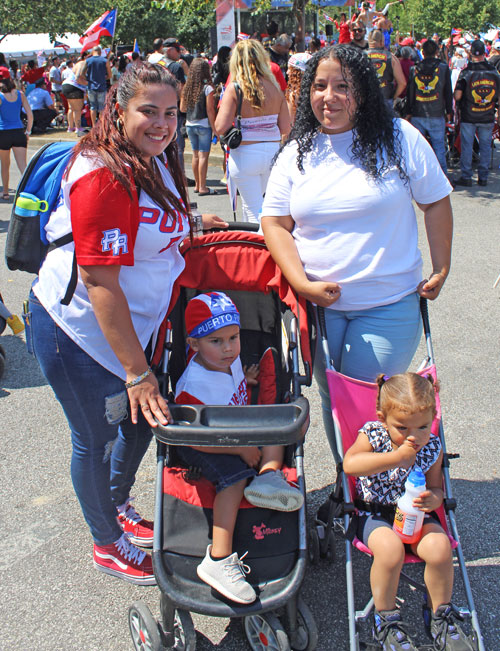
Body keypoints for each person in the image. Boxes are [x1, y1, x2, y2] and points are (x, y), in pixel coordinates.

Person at [28, 63, 198, 586]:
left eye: (171, 112)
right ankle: (107, 542)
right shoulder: (104, 170)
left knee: (137, 424)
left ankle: (116, 504)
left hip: (126, 332)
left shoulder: (152, 159)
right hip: (78, 332)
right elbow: (101, 284)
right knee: (96, 438)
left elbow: (155, 223)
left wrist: (194, 226)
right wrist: (137, 372)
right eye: (148, 110)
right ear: (118, 110)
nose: (162, 123)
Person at [261, 45, 453, 459]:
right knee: (334, 399)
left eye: (342, 86)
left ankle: (364, 495)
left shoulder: (400, 139)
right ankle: (349, 491)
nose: (328, 97)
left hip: (388, 302)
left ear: (363, 92)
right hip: (316, 307)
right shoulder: (296, 152)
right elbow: (274, 223)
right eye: (319, 86)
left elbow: (435, 201)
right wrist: (301, 283)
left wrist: (442, 267)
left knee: (365, 399)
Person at [174, 292, 303, 604]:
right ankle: (218, 559)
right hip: (204, 443)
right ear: (194, 345)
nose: (229, 348)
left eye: (233, 337)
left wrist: (244, 378)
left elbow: (231, 380)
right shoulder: (194, 386)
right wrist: (239, 451)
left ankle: (269, 476)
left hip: (237, 431)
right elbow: (192, 437)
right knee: (233, 480)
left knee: (276, 427)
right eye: (216, 341)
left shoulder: (226, 361)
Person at [343, 373, 474, 651]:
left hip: (415, 514)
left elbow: (437, 488)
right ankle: (386, 619)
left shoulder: (432, 447)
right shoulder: (373, 434)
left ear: (433, 418)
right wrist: (395, 458)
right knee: (391, 551)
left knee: (439, 547)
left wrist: (434, 498)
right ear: (383, 418)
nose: (414, 436)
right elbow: (350, 465)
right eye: (402, 427)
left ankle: (441, 617)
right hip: (374, 513)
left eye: (423, 427)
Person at [215, 39, 290, 224]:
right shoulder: (275, 87)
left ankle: (261, 246)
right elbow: (286, 127)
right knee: (259, 206)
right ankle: (257, 244)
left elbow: (220, 126)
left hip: (245, 154)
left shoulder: (235, 88)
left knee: (253, 209)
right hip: (273, 153)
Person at [453, 39, 500, 187]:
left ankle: (467, 176)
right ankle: (483, 177)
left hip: (469, 115)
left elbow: (458, 95)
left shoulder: (466, 72)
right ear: (484, 53)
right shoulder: (494, 72)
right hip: (487, 114)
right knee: (486, 146)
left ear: (471, 52)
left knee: (467, 146)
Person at [406, 38, 453, 176]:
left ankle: (419, 176)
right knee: (439, 147)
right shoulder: (443, 68)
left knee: (418, 148)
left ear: (423, 52)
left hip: (418, 112)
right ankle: (442, 176)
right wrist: (449, 111)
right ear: (437, 51)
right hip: (436, 112)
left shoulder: (414, 69)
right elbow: (448, 92)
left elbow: (410, 92)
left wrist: (408, 111)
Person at [180, 58, 217, 196]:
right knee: (203, 156)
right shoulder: (207, 88)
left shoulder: (187, 88)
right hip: (203, 125)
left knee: (195, 156)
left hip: (190, 124)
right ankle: (203, 186)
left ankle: (196, 184)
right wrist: (214, 128)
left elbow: (182, 109)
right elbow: (210, 110)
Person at [0, 70, 33, 200]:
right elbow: (30, 115)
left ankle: (6, 192)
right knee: (23, 165)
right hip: (19, 131)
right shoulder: (20, 94)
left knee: (5, 164)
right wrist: (28, 131)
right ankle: (30, 191)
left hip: (3, 133)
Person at [367, 30, 406, 109]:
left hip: (366, 100)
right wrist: (394, 97)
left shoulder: (359, 56)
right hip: (386, 99)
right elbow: (402, 83)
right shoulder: (391, 58)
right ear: (382, 42)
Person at [61, 53, 88, 136]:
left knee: (71, 108)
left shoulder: (77, 64)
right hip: (74, 87)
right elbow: (78, 77)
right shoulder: (82, 63)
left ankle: (70, 127)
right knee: (77, 109)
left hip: (66, 85)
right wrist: (88, 84)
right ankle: (78, 128)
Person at [85, 46, 111, 126]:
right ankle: (101, 124)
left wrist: (87, 80)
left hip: (91, 86)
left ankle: (93, 125)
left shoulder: (88, 61)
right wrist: (104, 77)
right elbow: (110, 75)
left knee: (93, 107)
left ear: (92, 52)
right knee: (101, 108)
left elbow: (81, 73)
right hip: (102, 86)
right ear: (100, 52)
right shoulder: (105, 61)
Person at [285, 52, 312, 126]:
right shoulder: (317, 91)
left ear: (297, 72)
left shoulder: (294, 95)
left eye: (290, 69)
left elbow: (289, 124)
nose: (287, 72)